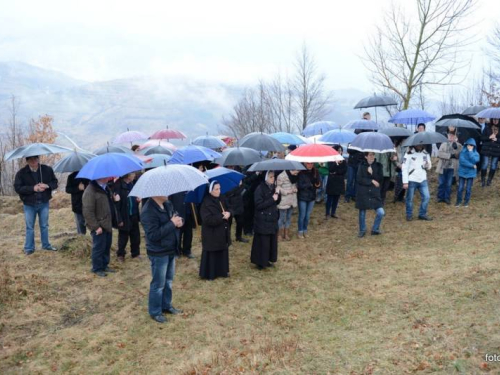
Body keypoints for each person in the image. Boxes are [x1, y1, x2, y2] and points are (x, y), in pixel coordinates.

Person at [141, 194, 184, 324]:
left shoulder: (167, 204)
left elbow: (176, 217)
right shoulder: (148, 211)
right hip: (158, 252)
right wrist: (172, 223)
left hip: (170, 248)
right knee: (158, 284)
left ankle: (166, 306)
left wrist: (180, 221)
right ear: (155, 193)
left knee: (168, 281)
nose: (167, 193)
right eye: (164, 191)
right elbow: (153, 235)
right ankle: (155, 312)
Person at [14, 155, 58, 255]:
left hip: (44, 202)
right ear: (27, 161)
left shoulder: (47, 169)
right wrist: (33, 188)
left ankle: (46, 245)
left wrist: (47, 186)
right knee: (30, 227)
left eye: (35, 159)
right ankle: (29, 248)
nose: (33, 161)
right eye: (31, 159)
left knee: (44, 225)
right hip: (29, 204)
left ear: (38, 159)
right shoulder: (21, 173)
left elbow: (55, 182)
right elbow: (18, 188)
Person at [82, 177, 119, 277]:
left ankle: (104, 265)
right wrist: (96, 227)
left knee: (106, 246)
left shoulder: (106, 188)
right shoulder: (90, 190)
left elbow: (109, 204)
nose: (109, 177)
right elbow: (87, 211)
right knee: (99, 247)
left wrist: (114, 200)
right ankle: (97, 268)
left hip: (107, 223)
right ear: (99, 177)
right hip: (99, 226)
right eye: (106, 176)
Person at [199, 181, 231, 280]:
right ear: (210, 191)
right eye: (216, 189)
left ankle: (222, 271)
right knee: (212, 254)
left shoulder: (222, 198)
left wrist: (229, 213)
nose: (219, 191)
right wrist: (221, 216)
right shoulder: (205, 203)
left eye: (219, 188)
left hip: (222, 231)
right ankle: (211, 273)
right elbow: (207, 220)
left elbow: (230, 208)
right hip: (211, 233)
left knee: (222, 251)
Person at [251, 171, 281, 269]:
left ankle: (267, 260)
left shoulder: (273, 187)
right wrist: (272, 199)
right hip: (262, 220)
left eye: (274, 177)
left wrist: (277, 193)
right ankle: (260, 262)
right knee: (263, 243)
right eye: (271, 177)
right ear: (266, 178)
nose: (273, 179)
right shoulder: (259, 189)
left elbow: (277, 201)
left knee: (270, 242)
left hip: (271, 219)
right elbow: (258, 205)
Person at [113, 172, 141, 261]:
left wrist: (137, 200)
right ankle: (120, 255)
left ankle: (135, 253)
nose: (134, 175)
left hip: (134, 213)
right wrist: (119, 219)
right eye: (133, 174)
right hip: (124, 215)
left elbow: (132, 198)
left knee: (135, 235)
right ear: (128, 175)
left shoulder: (132, 184)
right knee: (123, 236)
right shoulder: (118, 185)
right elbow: (116, 205)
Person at [355, 152, 385, 237]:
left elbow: (380, 179)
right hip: (363, 193)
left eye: (373, 155)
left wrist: (372, 174)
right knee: (362, 212)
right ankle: (362, 230)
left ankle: (375, 229)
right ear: (366, 156)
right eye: (370, 155)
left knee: (381, 212)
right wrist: (371, 180)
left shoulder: (378, 165)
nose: (372, 157)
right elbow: (359, 179)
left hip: (374, 193)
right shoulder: (361, 165)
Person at [402, 145, 433, 221]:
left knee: (427, 197)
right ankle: (409, 215)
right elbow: (404, 168)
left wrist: (427, 165)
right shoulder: (409, 154)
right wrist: (405, 182)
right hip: (412, 179)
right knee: (409, 199)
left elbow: (429, 166)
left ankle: (422, 214)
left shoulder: (425, 153)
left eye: (421, 144)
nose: (419, 145)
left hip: (422, 178)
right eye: (418, 144)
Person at [436, 131, 462, 204]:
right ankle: (440, 197)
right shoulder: (443, 144)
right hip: (442, 167)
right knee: (441, 183)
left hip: (452, 167)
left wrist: (456, 147)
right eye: (450, 136)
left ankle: (447, 198)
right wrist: (450, 155)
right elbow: (440, 154)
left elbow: (460, 153)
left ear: (455, 137)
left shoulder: (458, 145)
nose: (451, 137)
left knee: (448, 184)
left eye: (453, 136)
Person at [297, 163, 320, 238]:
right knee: (302, 215)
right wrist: (309, 185)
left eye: (311, 164)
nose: (310, 165)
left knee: (307, 215)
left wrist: (318, 183)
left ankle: (305, 229)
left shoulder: (315, 172)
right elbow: (299, 185)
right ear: (305, 163)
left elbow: (319, 183)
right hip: (302, 196)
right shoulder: (301, 172)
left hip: (312, 196)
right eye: (308, 163)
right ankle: (300, 230)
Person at [170, 191, 196, 257]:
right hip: (179, 214)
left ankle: (187, 251)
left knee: (188, 233)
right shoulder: (174, 189)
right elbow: (170, 202)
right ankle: (177, 251)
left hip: (189, 214)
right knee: (178, 234)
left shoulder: (190, 189)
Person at [456, 138, 480, 207]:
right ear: (466, 145)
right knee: (460, 188)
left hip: (470, 173)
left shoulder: (476, 153)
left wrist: (470, 152)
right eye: (469, 145)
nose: (470, 146)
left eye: (472, 145)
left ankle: (466, 202)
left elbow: (475, 160)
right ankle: (458, 201)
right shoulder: (462, 152)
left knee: (468, 189)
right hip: (462, 172)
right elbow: (462, 162)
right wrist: (472, 166)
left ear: (474, 146)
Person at [325, 145, 347, 219]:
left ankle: (333, 212)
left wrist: (337, 171)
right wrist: (336, 163)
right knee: (330, 198)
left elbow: (344, 170)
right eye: (338, 150)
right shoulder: (330, 159)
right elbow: (331, 169)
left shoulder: (343, 160)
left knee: (336, 198)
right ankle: (327, 213)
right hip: (332, 180)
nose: (339, 152)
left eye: (340, 150)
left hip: (339, 180)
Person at [276, 170, 298, 240]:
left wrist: (295, 189)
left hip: (291, 200)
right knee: (282, 218)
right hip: (284, 200)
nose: (297, 172)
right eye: (297, 171)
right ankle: (279, 234)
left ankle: (286, 234)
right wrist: (287, 192)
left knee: (288, 217)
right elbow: (278, 187)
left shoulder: (294, 176)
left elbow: (295, 185)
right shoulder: (281, 176)